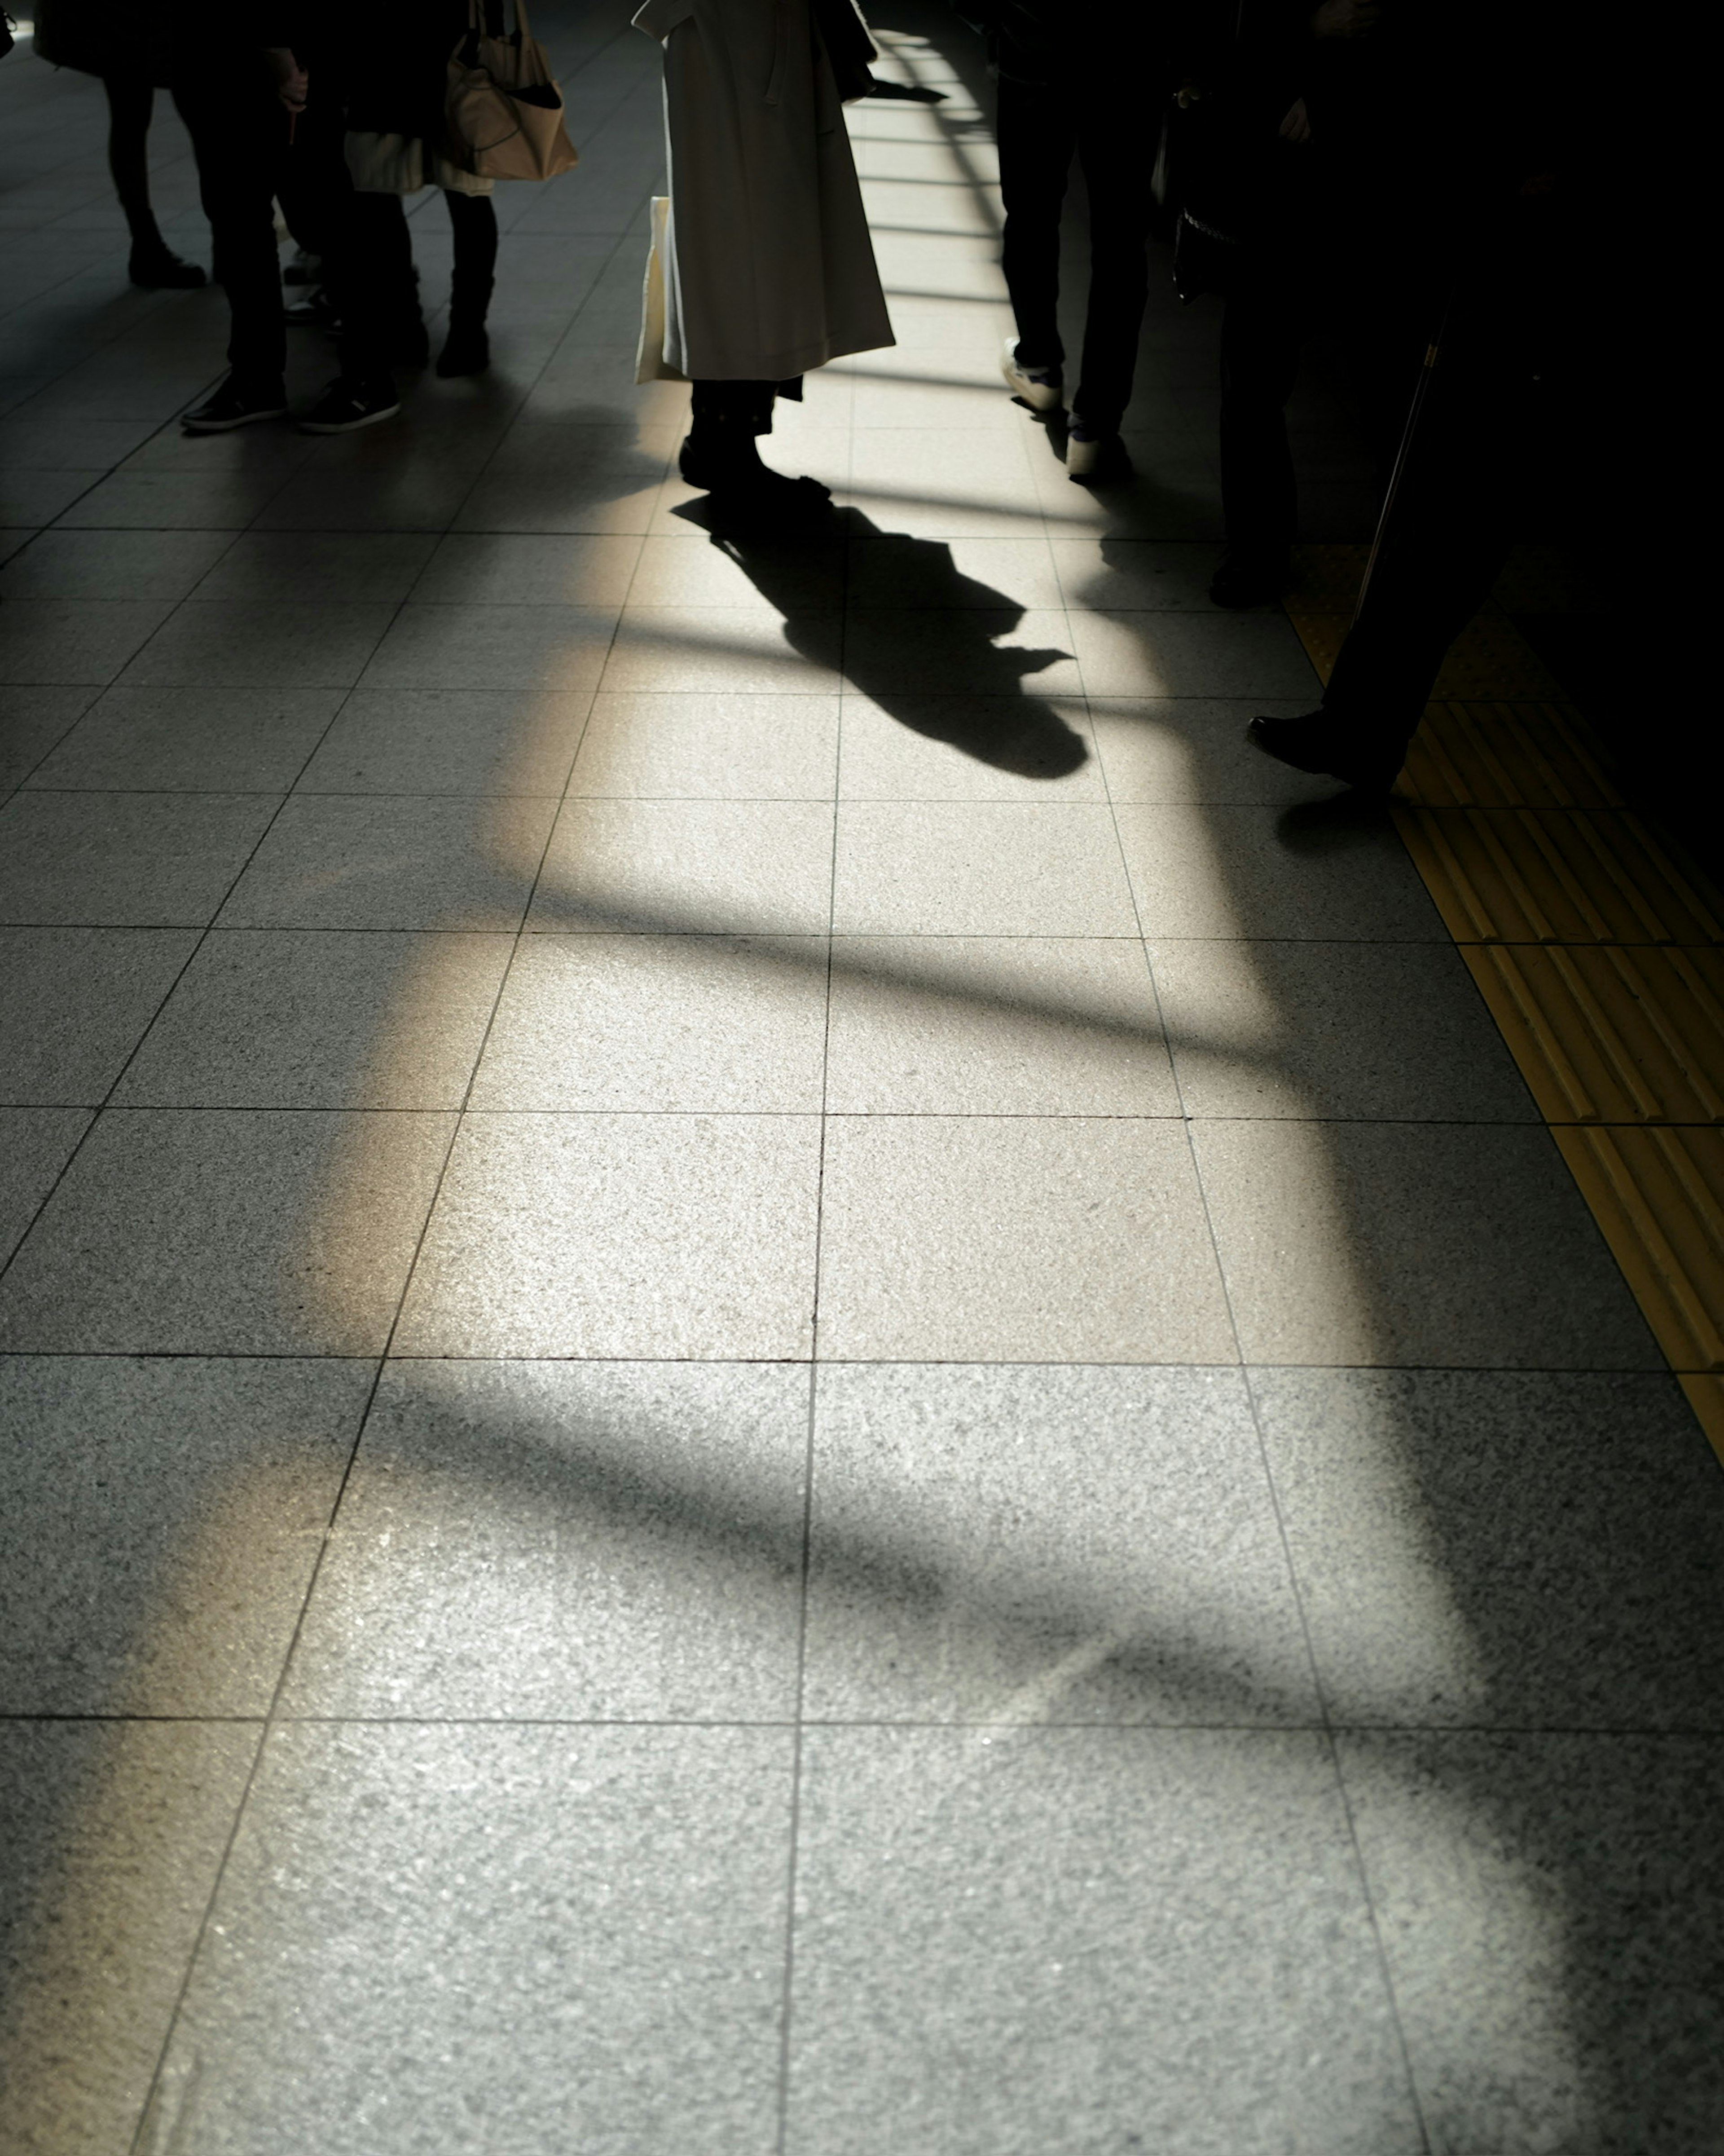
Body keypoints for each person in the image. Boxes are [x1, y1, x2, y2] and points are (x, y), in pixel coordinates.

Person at [634, 0, 894, 507]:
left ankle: (720, 438)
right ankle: (724, 446)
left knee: (750, 239)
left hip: (748, 32)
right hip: (737, 33)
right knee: (751, 243)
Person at [972, 0, 1178, 482]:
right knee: (1120, 244)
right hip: (1131, 60)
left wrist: (997, 22)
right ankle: (1096, 427)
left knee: (1030, 215)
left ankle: (1040, 366)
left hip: (1033, 47)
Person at [172, 9, 402, 434]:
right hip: (216, 57)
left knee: (327, 220)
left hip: (282, 59)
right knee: (239, 224)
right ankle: (257, 379)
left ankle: (368, 375)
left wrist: (278, 52)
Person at [345, 0, 506, 379]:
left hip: (397, 54)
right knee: (462, 198)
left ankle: (417, 327)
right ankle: (459, 332)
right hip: (442, 54)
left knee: (381, 196)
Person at [31, 0, 205, 287]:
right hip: (136, 16)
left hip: (116, 15)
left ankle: (147, 241)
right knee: (191, 112)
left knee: (133, 116)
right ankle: (215, 241)